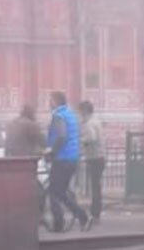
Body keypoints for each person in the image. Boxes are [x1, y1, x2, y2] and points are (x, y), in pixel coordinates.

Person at [45, 91, 91, 232]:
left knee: (53, 191)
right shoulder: (70, 115)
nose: (48, 103)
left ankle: (58, 224)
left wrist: (51, 151)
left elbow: (61, 136)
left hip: (62, 158)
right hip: (72, 158)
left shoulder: (58, 115)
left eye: (50, 100)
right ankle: (83, 217)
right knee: (61, 192)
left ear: (56, 101)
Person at [78, 100, 105, 224]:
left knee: (95, 187)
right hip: (99, 157)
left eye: (80, 111)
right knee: (96, 187)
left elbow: (91, 138)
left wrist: (81, 141)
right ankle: (96, 212)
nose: (79, 114)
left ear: (85, 111)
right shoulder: (95, 121)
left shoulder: (89, 123)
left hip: (94, 157)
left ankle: (95, 213)